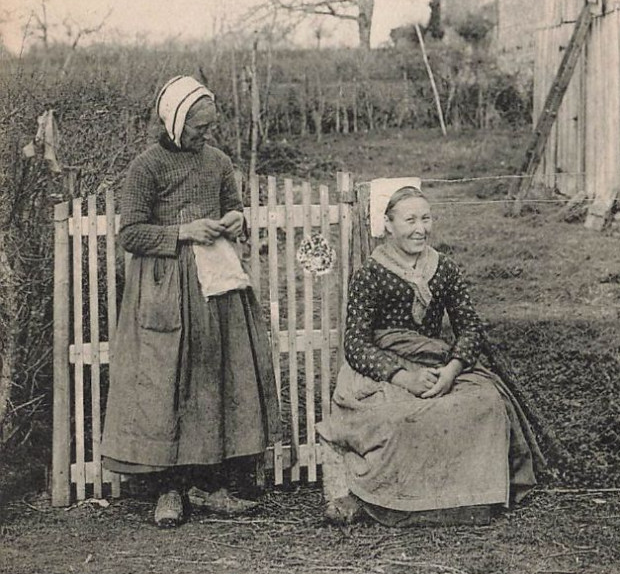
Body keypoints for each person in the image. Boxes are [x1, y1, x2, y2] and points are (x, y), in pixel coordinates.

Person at [102, 75, 280, 527]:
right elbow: (132, 233)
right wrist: (183, 231)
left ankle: (212, 486)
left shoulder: (218, 161)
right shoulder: (147, 167)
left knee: (215, 381)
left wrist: (235, 219)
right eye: (199, 126)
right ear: (175, 122)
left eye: (210, 126)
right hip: (165, 289)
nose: (206, 134)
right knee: (169, 385)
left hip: (216, 285)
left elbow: (233, 206)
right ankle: (170, 491)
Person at [318, 181, 540, 525]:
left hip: (436, 363)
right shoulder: (371, 275)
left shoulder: (444, 268)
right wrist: (403, 377)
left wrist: (451, 370)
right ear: (388, 225)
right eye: (410, 221)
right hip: (383, 368)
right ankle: (385, 501)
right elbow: (356, 344)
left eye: (426, 218)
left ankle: (470, 500)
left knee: (487, 405)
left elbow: (470, 329)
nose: (420, 229)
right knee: (398, 418)